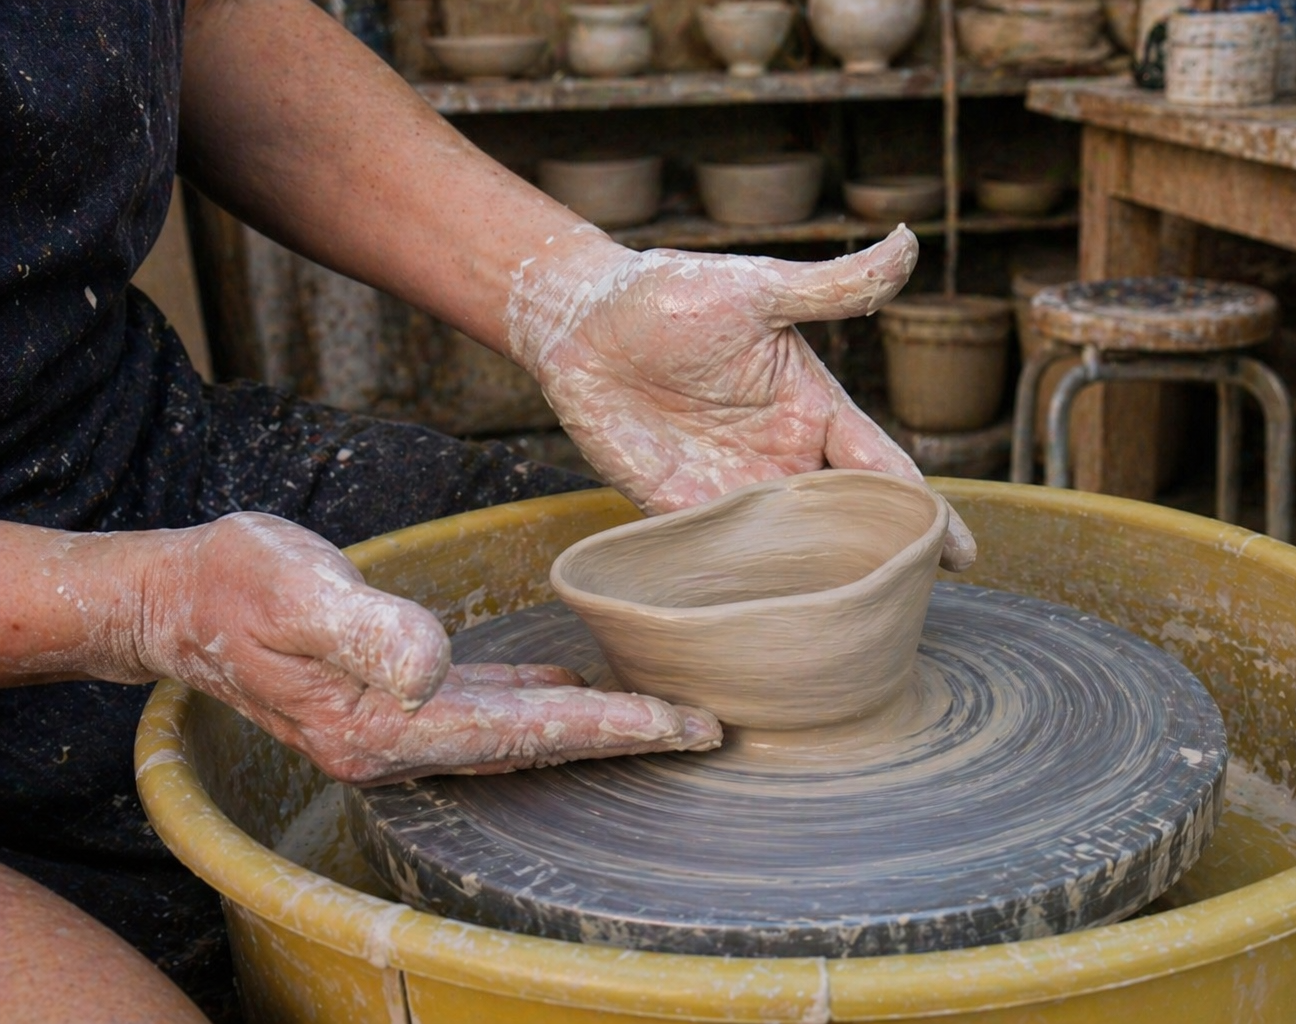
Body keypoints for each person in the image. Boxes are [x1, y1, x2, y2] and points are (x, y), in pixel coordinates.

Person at [0, 0, 975, 1018]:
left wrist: (567, 295)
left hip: (110, 428)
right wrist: (141, 601)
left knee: (580, 554)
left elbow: (198, 19)